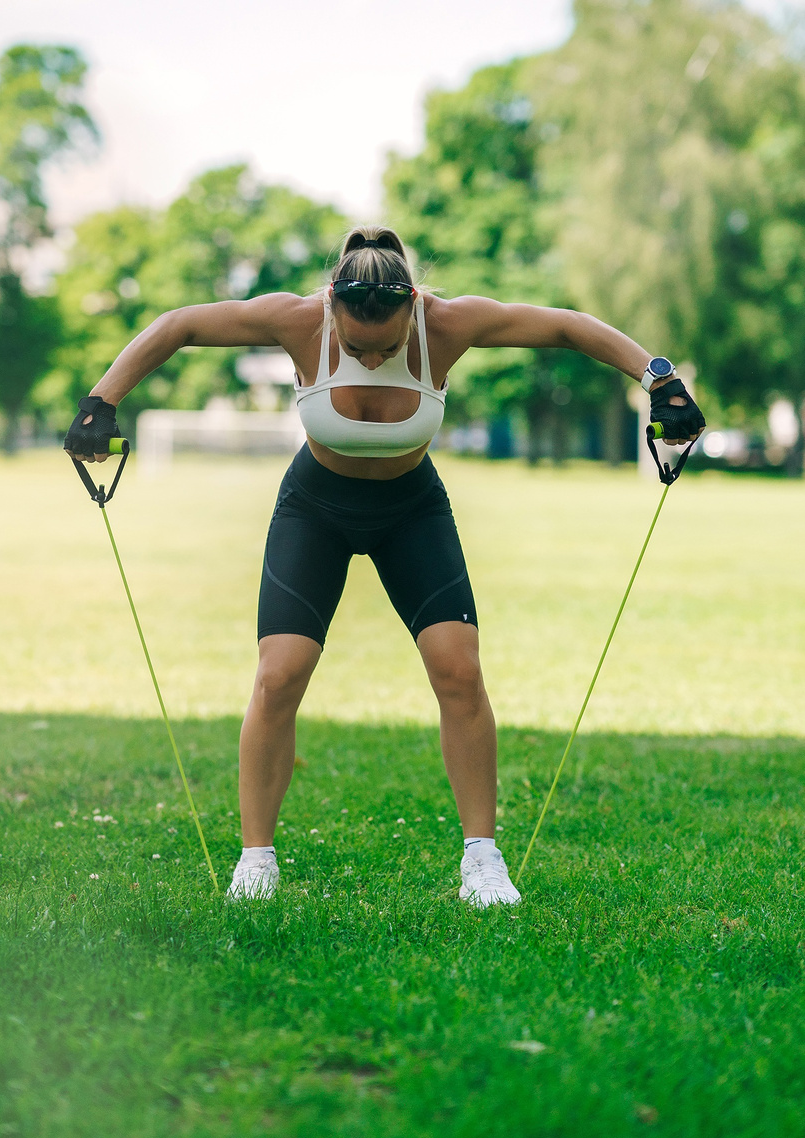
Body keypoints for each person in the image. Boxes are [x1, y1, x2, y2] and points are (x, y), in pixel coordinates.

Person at [64, 225, 705, 907]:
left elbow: (568, 327)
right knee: (279, 676)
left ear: (413, 313)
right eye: (356, 346)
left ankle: (482, 861)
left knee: (459, 671)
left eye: (388, 347)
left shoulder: (448, 324)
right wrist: (101, 400)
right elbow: (179, 325)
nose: (371, 358)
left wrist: (659, 377)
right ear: (331, 308)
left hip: (411, 510)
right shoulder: (296, 319)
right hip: (315, 506)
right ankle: (256, 860)